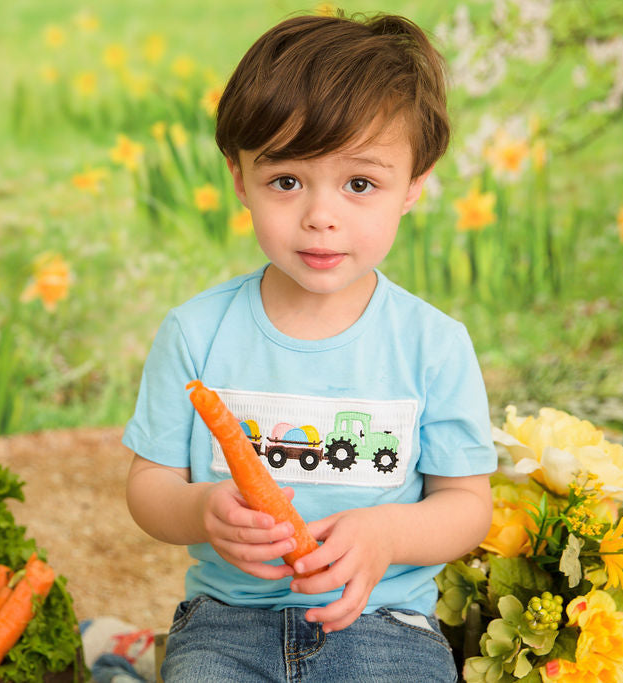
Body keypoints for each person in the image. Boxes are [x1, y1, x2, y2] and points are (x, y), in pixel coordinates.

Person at [123, 11, 497, 682]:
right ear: (240, 179)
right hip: (227, 624)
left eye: (360, 184)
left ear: (415, 184)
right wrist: (203, 511)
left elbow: (467, 505)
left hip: (385, 626)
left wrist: (387, 535)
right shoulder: (196, 331)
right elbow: (150, 487)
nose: (321, 216)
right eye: (287, 181)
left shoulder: (434, 344)